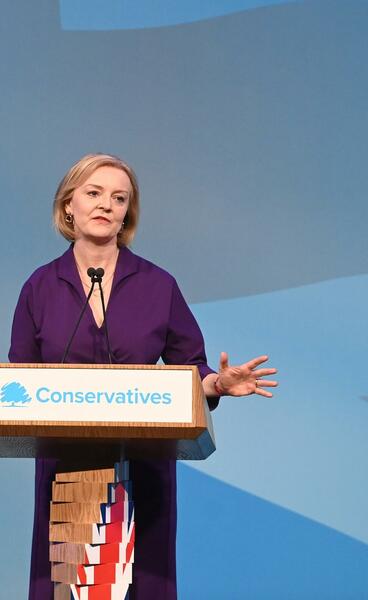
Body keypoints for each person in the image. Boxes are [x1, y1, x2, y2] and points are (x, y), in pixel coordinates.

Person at [9, 153, 278, 599]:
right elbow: (19, 383)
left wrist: (218, 384)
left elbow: (191, 367)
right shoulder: (39, 287)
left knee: (140, 584)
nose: (106, 204)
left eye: (119, 198)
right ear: (68, 205)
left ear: (126, 214)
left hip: (143, 468)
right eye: (94, 193)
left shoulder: (158, 284)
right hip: (64, 470)